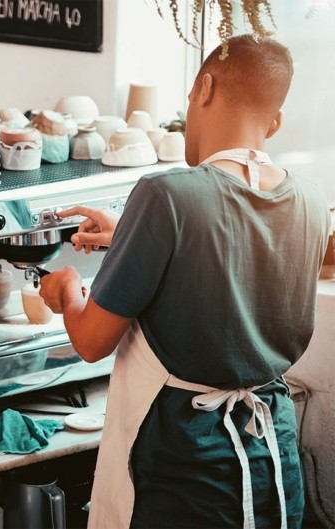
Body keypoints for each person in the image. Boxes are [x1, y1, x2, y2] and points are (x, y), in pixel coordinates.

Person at [39, 35, 331, 528]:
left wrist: (67, 288)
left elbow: (90, 342)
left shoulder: (164, 194)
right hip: (272, 458)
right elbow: (236, 247)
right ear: (275, 122)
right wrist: (129, 236)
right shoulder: (311, 201)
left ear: (204, 88)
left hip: (184, 465)